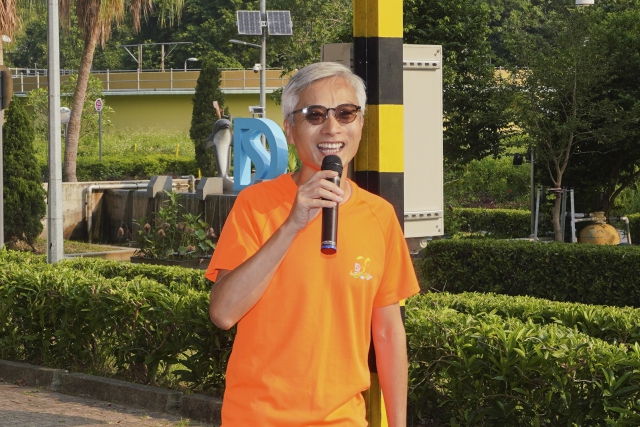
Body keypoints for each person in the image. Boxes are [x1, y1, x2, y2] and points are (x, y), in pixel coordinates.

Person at [206, 61, 419, 427]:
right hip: (257, 418)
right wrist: (292, 224)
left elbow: (387, 333)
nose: (332, 128)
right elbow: (223, 313)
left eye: (346, 113)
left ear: (361, 123)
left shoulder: (380, 216)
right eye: (315, 115)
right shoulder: (256, 205)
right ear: (290, 129)